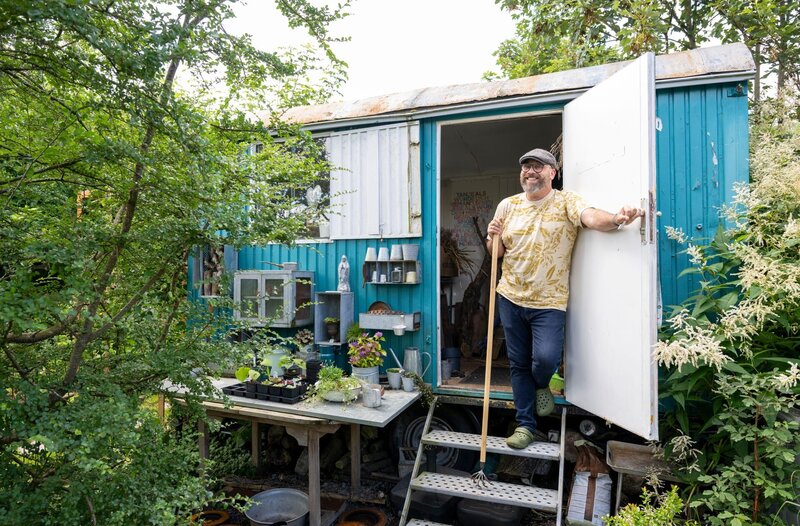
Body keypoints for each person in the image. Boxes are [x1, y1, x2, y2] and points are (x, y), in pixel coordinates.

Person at [485, 148, 643, 449]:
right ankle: (525, 425)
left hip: (549, 301)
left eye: (537, 167)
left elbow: (592, 218)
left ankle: (543, 384)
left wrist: (617, 218)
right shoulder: (507, 205)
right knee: (518, 364)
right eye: (526, 167)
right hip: (510, 296)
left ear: (552, 173)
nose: (530, 172)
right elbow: (497, 254)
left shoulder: (566, 201)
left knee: (544, 359)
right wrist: (492, 237)